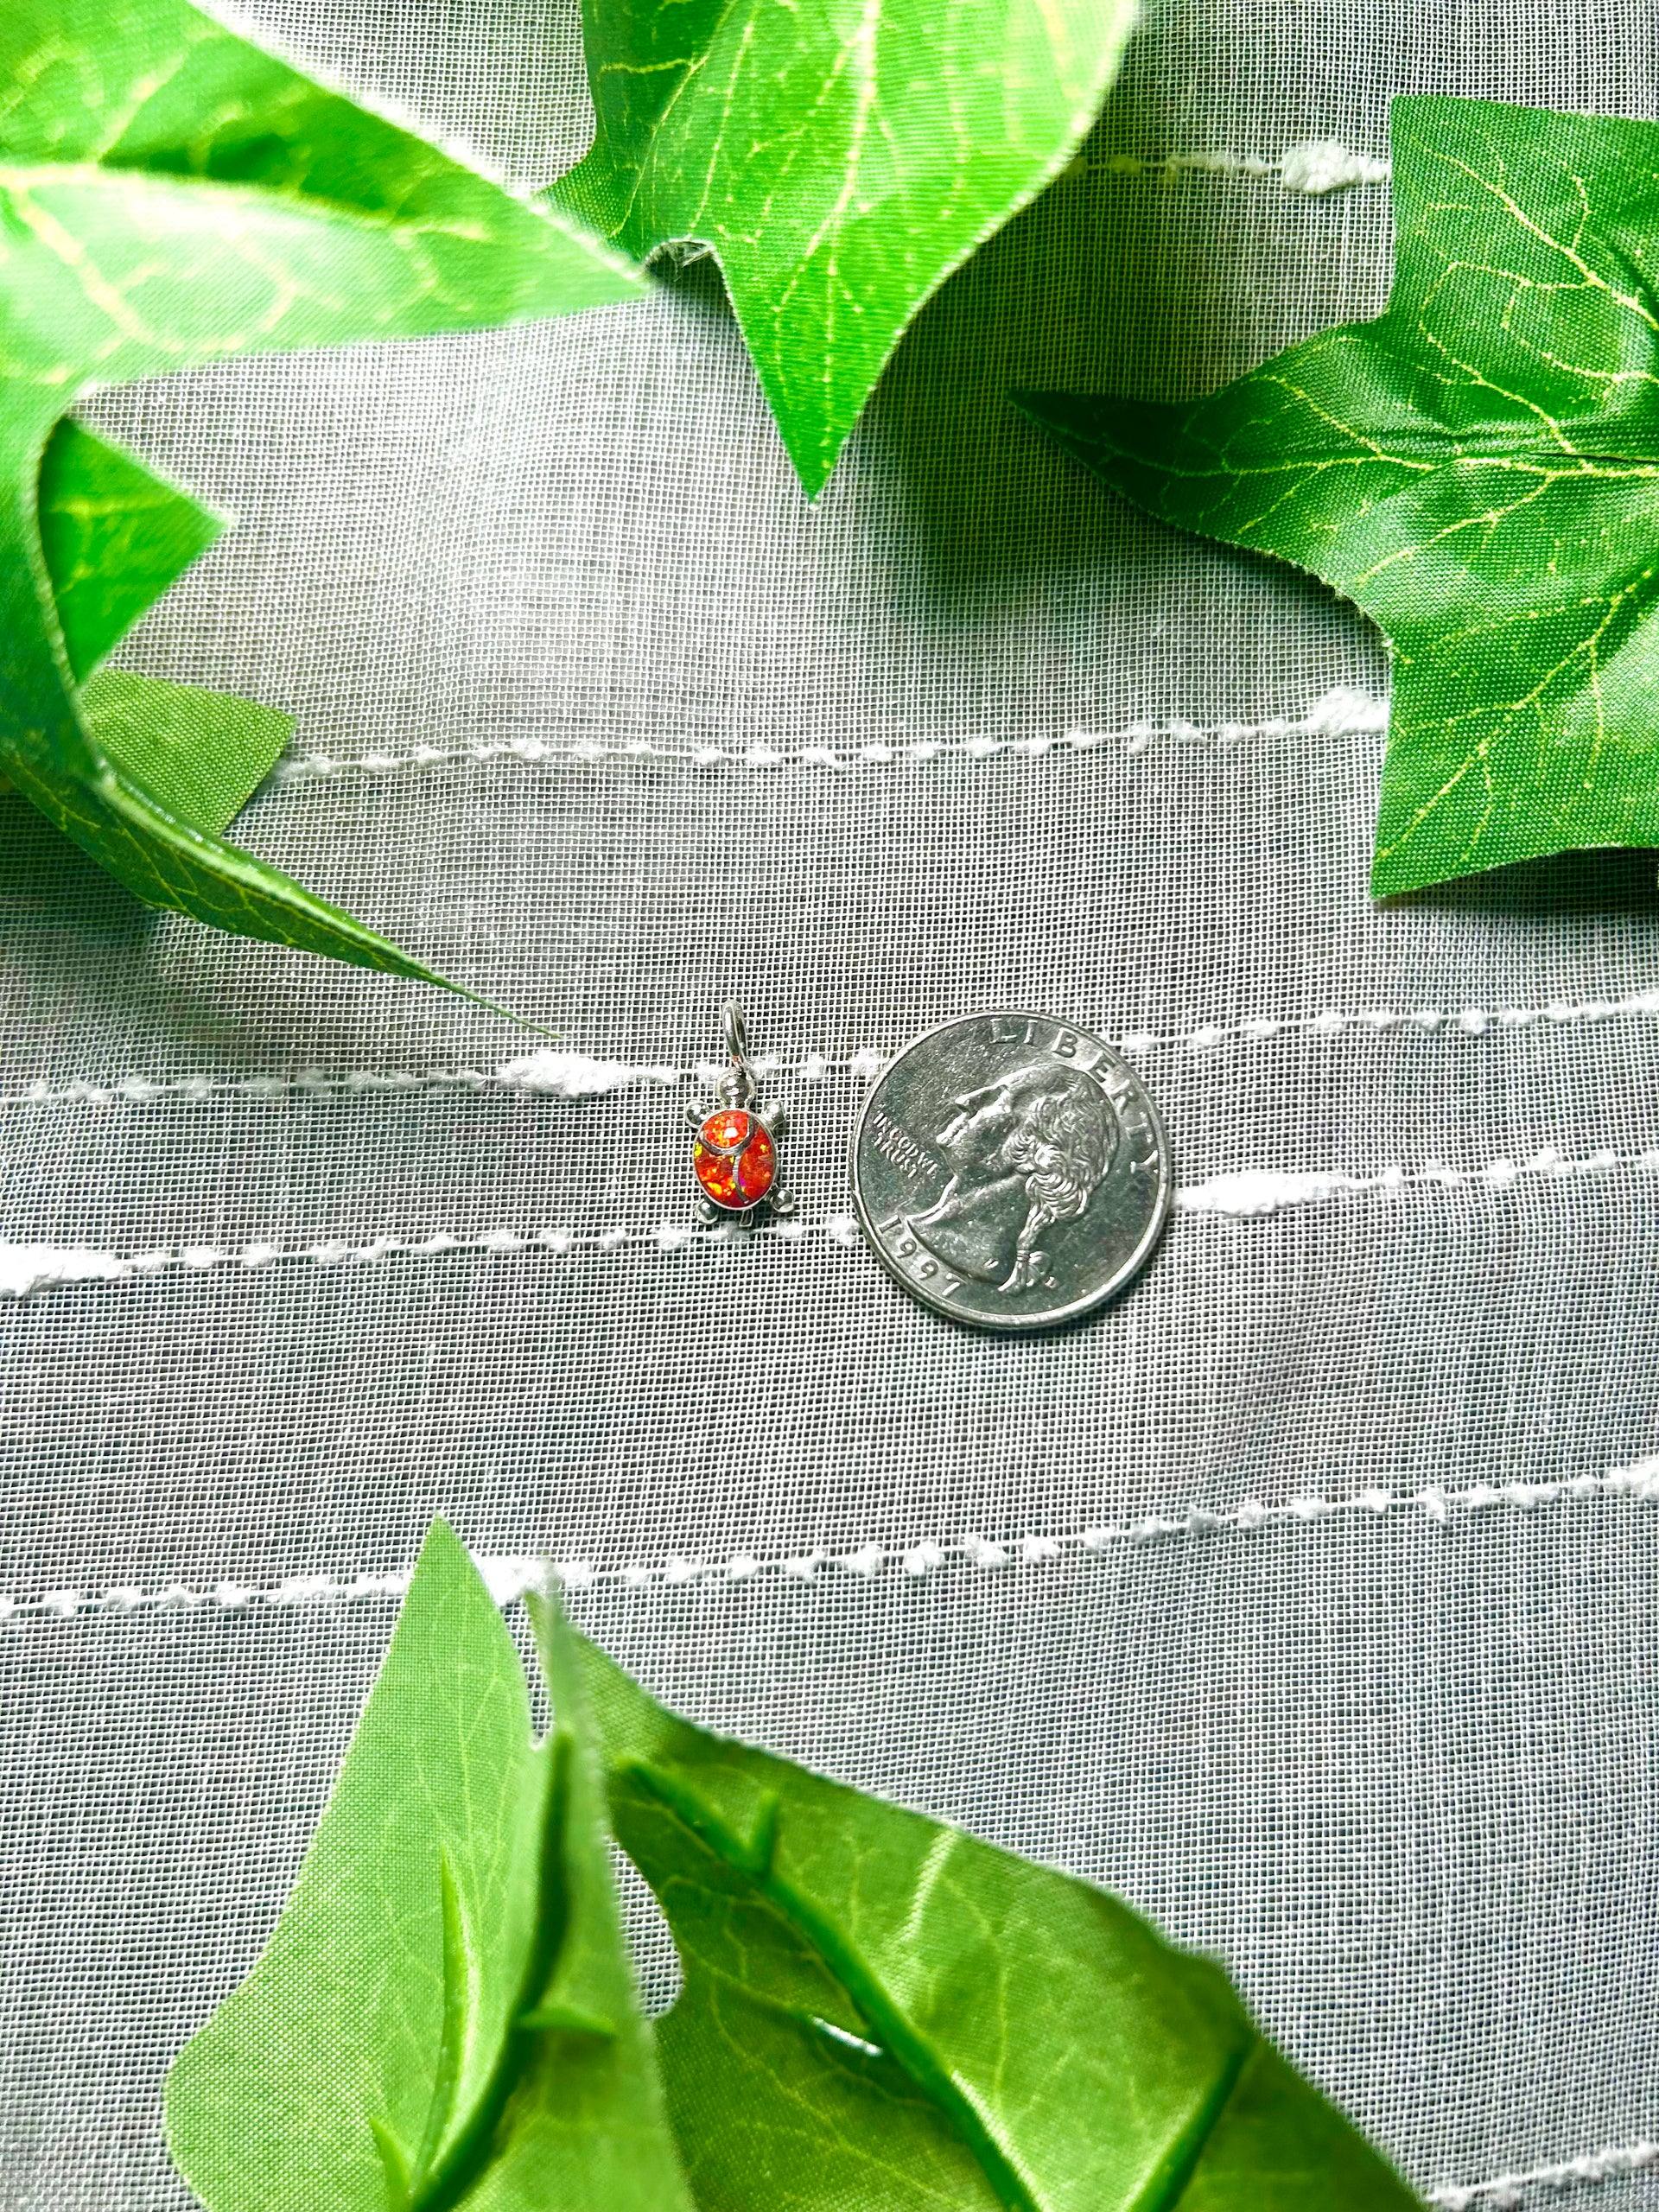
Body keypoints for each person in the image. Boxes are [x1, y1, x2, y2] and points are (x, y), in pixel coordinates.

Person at [906, 1059, 1117, 1294]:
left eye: (1000, 1098)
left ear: (1033, 1152)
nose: (965, 1100)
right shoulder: (934, 1229)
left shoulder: (980, 1258)